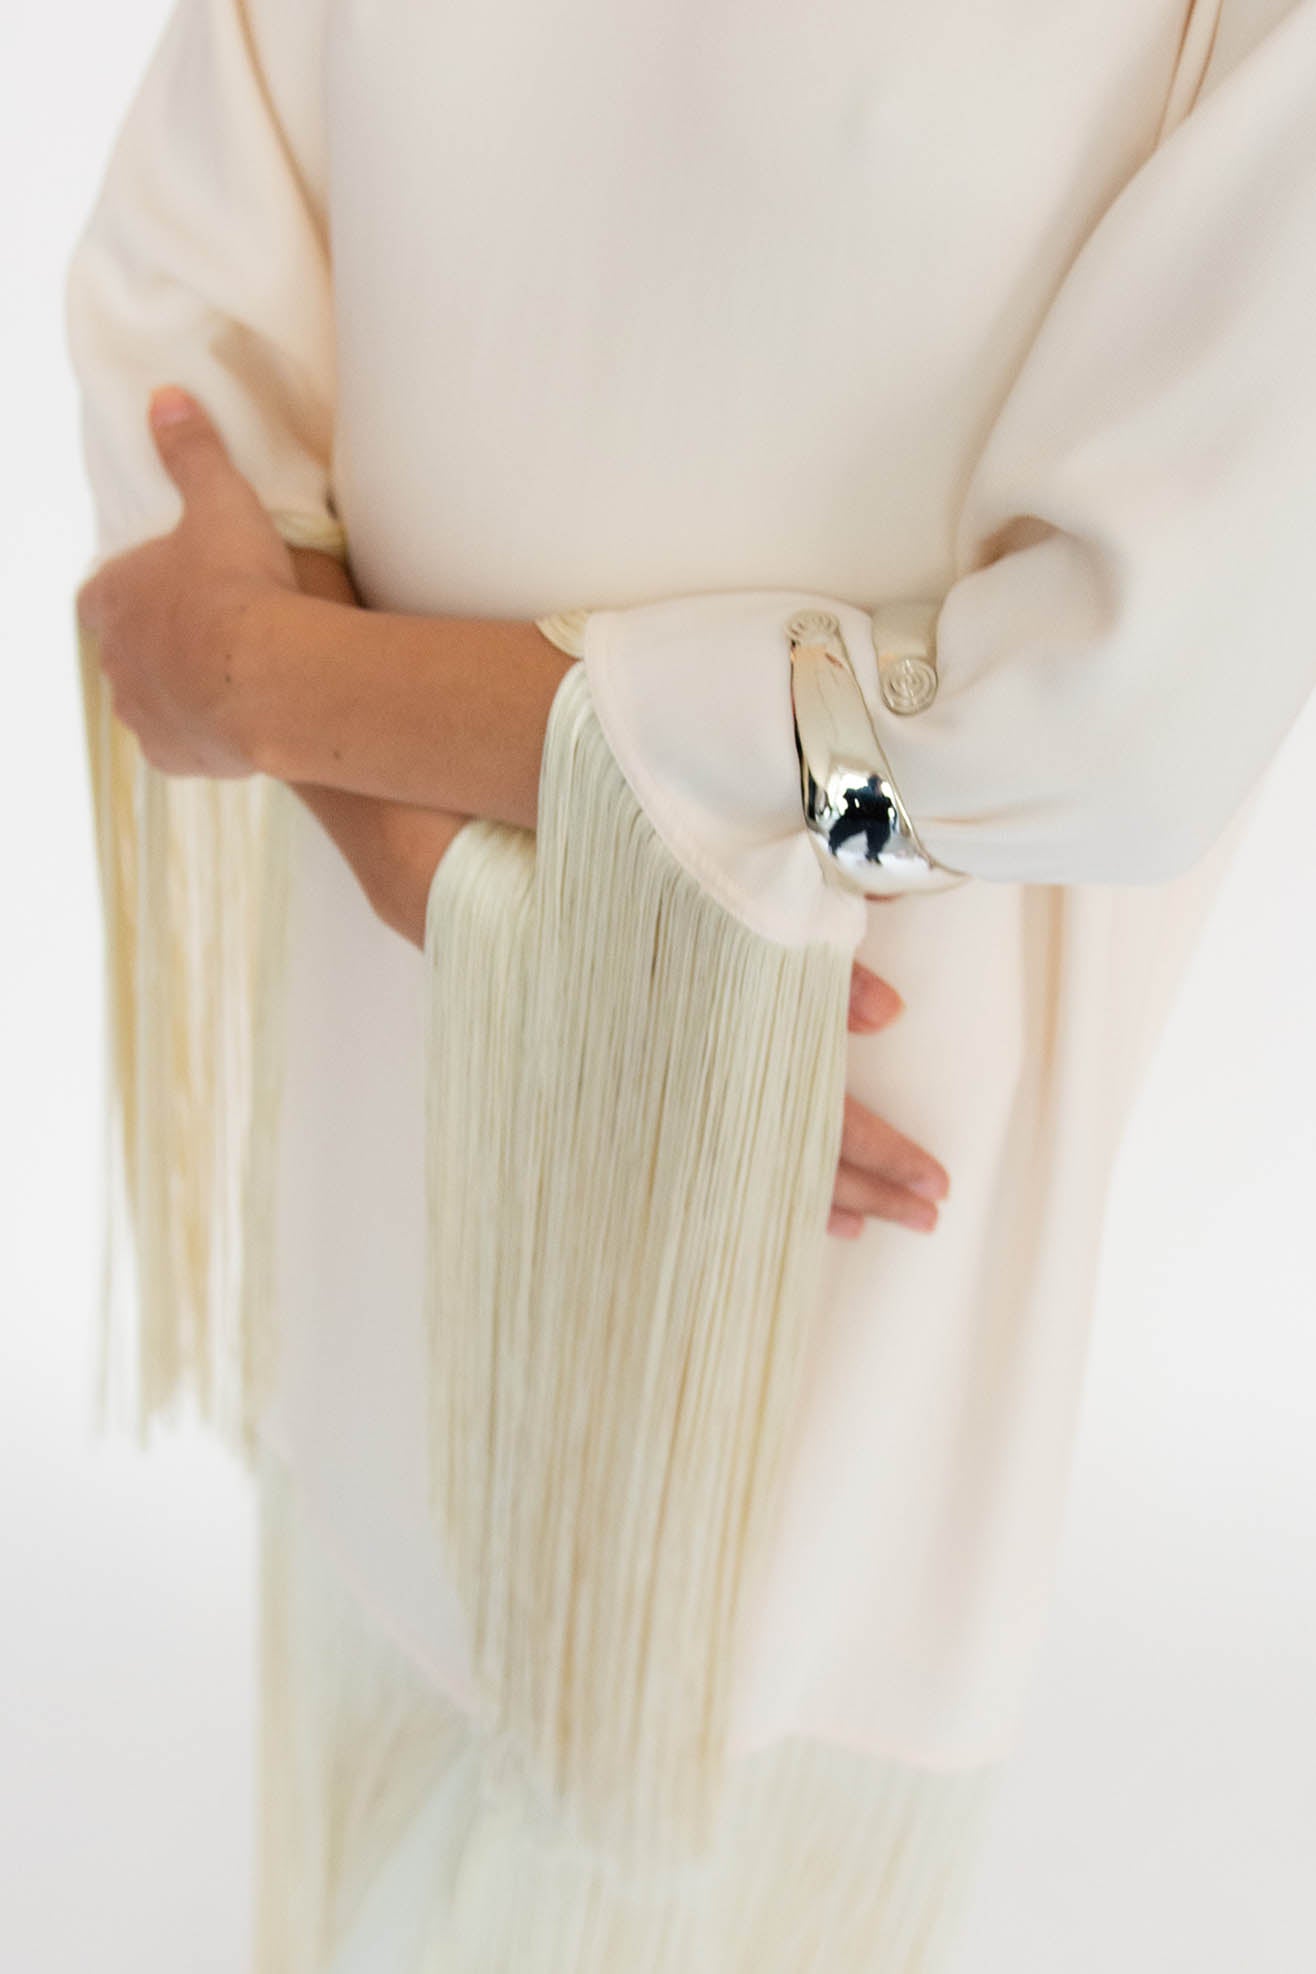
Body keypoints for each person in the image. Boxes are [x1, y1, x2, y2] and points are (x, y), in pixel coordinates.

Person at [65, 1, 1316, 1967]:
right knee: (402, 1676)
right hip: (432, 1040)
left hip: (822, 1101)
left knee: (692, 1801)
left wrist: (276, 689)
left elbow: (1117, 701)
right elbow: (188, 338)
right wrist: (454, 888)